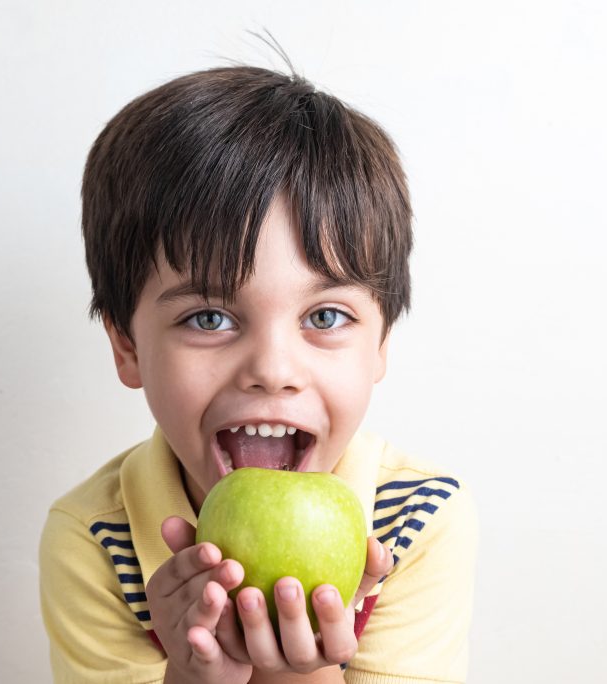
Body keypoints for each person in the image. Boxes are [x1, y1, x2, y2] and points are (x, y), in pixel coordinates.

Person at [39, 63, 478, 683]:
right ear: (127, 346)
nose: (273, 371)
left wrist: (298, 671)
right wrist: (193, 676)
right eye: (210, 318)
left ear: (381, 342)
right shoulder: (94, 540)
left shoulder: (416, 520)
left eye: (325, 315)